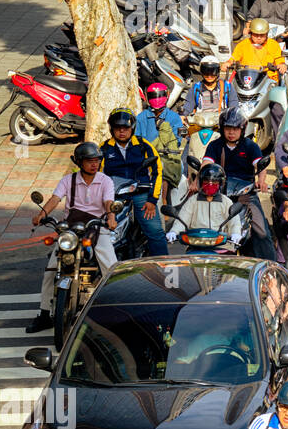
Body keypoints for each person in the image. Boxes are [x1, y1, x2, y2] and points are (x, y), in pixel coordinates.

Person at [26, 142, 118, 333]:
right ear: (78, 162)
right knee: (51, 269)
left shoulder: (106, 181)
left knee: (111, 267)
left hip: (96, 227)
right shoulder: (68, 180)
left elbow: (109, 201)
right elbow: (55, 198)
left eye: (97, 160)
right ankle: (44, 314)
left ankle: (114, 310)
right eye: (89, 161)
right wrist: (42, 215)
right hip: (71, 229)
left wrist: (110, 217)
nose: (94, 164)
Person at [203, 106, 275, 261]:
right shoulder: (214, 146)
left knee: (261, 231)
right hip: (219, 194)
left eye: (235, 129)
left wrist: (261, 181)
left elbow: (260, 165)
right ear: (222, 128)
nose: (231, 132)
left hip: (246, 194)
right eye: (228, 128)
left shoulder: (251, 146)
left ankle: (271, 268)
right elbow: (206, 164)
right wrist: (198, 181)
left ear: (243, 129)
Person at [100, 107, 167, 256]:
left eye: (125, 128)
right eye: (118, 128)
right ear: (112, 129)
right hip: (116, 196)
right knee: (105, 232)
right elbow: (99, 176)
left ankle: (163, 269)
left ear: (132, 128)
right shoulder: (104, 149)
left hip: (141, 195)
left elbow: (157, 171)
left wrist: (152, 200)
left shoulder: (144, 145)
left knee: (155, 232)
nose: (122, 131)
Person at [165, 162, 242, 245]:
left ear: (220, 183)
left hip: (219, 243)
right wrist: (174, 232)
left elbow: (234, 222)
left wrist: (236, 233)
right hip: (196, 242)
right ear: (201, 182)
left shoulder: (226, 201)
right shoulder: (193, 200)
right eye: (206, 181)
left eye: (214, 182)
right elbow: (183, 219)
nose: (210, 185)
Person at [134, 83, 183, 202]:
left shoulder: (174, 117)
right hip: (146, 157)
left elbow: (176, 142)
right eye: (153, 95)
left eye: (159, 95)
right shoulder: (141, 117)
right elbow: (137, 141)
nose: (156, 98)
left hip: (167, 156)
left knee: (163, 171)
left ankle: (163, 201)